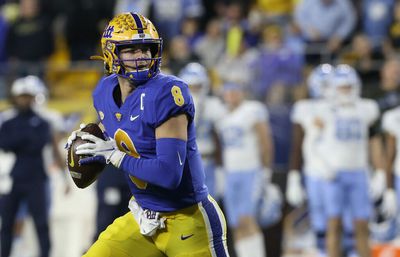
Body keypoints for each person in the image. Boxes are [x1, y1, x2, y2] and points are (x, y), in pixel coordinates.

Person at [66, 12, 230, 257]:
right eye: (131, 50)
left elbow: (168, 174)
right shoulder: (104, 91)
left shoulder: (167, 92)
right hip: (144, 217)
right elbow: (122, 129)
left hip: (187, 220)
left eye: (146, 49)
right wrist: (92, 139)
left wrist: (115, 156)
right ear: (112, 53)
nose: (141, 57)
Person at [316, 65, 392, 257]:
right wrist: (323, 165)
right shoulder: (324, 110)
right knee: (333, 224)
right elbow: (315, 143)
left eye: (349, 86)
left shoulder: (366, 109)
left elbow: (374, 143)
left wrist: (381, 172)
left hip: (359, 172)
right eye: (342, 87)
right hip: (334, 174)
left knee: (362, 225)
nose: (346, 91)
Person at [215, 81, 273, 257]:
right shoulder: (222, 116)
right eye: (228, 91)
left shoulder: (252, 110)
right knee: (235, 224)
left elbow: (266, 142)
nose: (231, 95)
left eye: (235, 91)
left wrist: (266, 170)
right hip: (231, 173)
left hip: (251, 170)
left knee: (247, 220)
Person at [0, 77, 54, 257]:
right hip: (13, 179)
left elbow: (38, 143)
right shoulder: (8, 122)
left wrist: (19, 141)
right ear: (15, 97)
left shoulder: (42, 121)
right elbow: (5, 143)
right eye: (21, 96)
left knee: (41, 223)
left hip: (36, 178)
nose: (24, 100)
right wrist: (26, 139)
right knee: (6, 223)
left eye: (27, 96)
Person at [286, 63, 335, 256]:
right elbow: (298, 145)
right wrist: (294, 177)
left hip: (340, 170)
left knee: (341, 220)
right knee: (318, 220)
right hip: (314, 171)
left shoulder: (346, 108)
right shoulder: (304, 108)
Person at [178, 62, 226, 199]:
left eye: (197, 86)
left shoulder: (213, 105)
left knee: (210, 207)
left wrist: (220, 168)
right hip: (184, 163)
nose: (194, 90)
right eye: (190, 86)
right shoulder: (174, 107)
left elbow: (220, 139)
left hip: (208, 161)